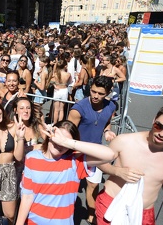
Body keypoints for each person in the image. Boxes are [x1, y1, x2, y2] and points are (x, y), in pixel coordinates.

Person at [16, 120, 114, 225]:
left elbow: (110, 155)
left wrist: (67, 142)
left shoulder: (75, 162)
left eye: (64, 141)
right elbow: (27, 197)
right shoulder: (32, 158)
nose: (59, 144)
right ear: (50, 134)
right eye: (58, 137)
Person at [96, 103, 163, 225]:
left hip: (144, 213)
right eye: (159, 126)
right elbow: (99, 162)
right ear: (153, 120)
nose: (162, 134)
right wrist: (117, 171)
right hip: (112, 205)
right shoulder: (124, 141)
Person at [67, 75, 116, 224]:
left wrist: (107, 131)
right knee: (71, 186)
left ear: (107, 93)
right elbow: (68, 132)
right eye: (93, 91)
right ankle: (66, 214)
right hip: (75, 154)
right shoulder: (79, 109)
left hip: (95, 152)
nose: (95, 96)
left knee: (93, 184)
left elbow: (107, 122)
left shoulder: (111, 106)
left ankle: (91, 214)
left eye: (100, 93)